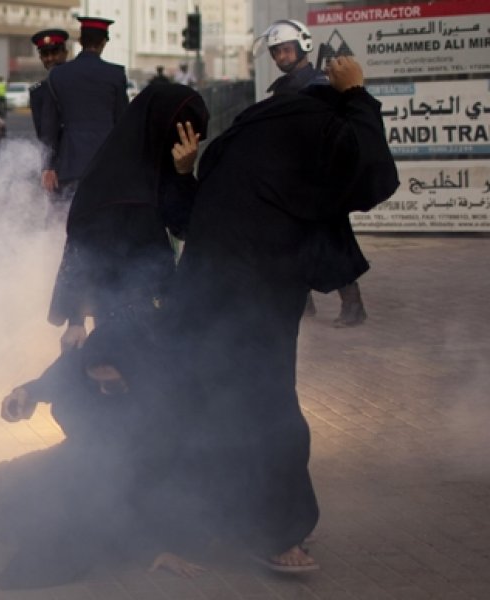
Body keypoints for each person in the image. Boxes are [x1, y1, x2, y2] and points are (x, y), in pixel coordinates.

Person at [170, 56, 399, 572]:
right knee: (272, 414)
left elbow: (196, 214)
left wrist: (185, 173)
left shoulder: (243, 134)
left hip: (205, 297)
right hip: (255, 297)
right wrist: (358, 95)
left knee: (216, 408)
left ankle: (199, 529)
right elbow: (374, 174)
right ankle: (277, 536)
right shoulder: (317, 127)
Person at [0, 323, 205, 589]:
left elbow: (125, 485)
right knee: (7, 474)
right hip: (83, 454)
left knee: (73, 529)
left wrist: (152, 551)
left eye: (111, 385)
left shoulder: (156, 403)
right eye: (94, 382)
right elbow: (48, 383)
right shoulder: (79, 364)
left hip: (133, 474)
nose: (100, 392)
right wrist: (23, 395)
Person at [48, 83, 208, 353]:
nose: (187, 143)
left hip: (157, 301)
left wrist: (184, 174)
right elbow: (80, 249)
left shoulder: (160, 167)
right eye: (183, 132)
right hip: (113, 307)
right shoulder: (108, 174)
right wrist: (75, 321)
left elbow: (186, 225)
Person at [258, 18, 368, 326]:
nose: (281, 57)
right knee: (290, 243)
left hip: (321, 181)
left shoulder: (322, 86)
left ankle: (354, 306)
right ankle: (301, 305)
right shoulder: (282, 90)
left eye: (286, 50)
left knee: (332, 243)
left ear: (303, 46)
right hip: (291, 180)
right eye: (276, 52)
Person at [38, 15, 129, 205]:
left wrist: (48, 166)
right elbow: (123, 122)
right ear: (104, 42)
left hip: (69, 165)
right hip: (106, 165)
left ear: (80, 41)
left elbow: (49, 126)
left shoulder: (57, 75)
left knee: (66, 222)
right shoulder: (116, 74)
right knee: (103, 222)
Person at [28, 28, 70, 218]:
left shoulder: (78, 83)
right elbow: (44, 135)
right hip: (59, 165)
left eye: (55, 52)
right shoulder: (38, 92)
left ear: (65, 53)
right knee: (57, 219)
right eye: (45, 54)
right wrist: (48, 166)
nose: (50, 58)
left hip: (84, 161)